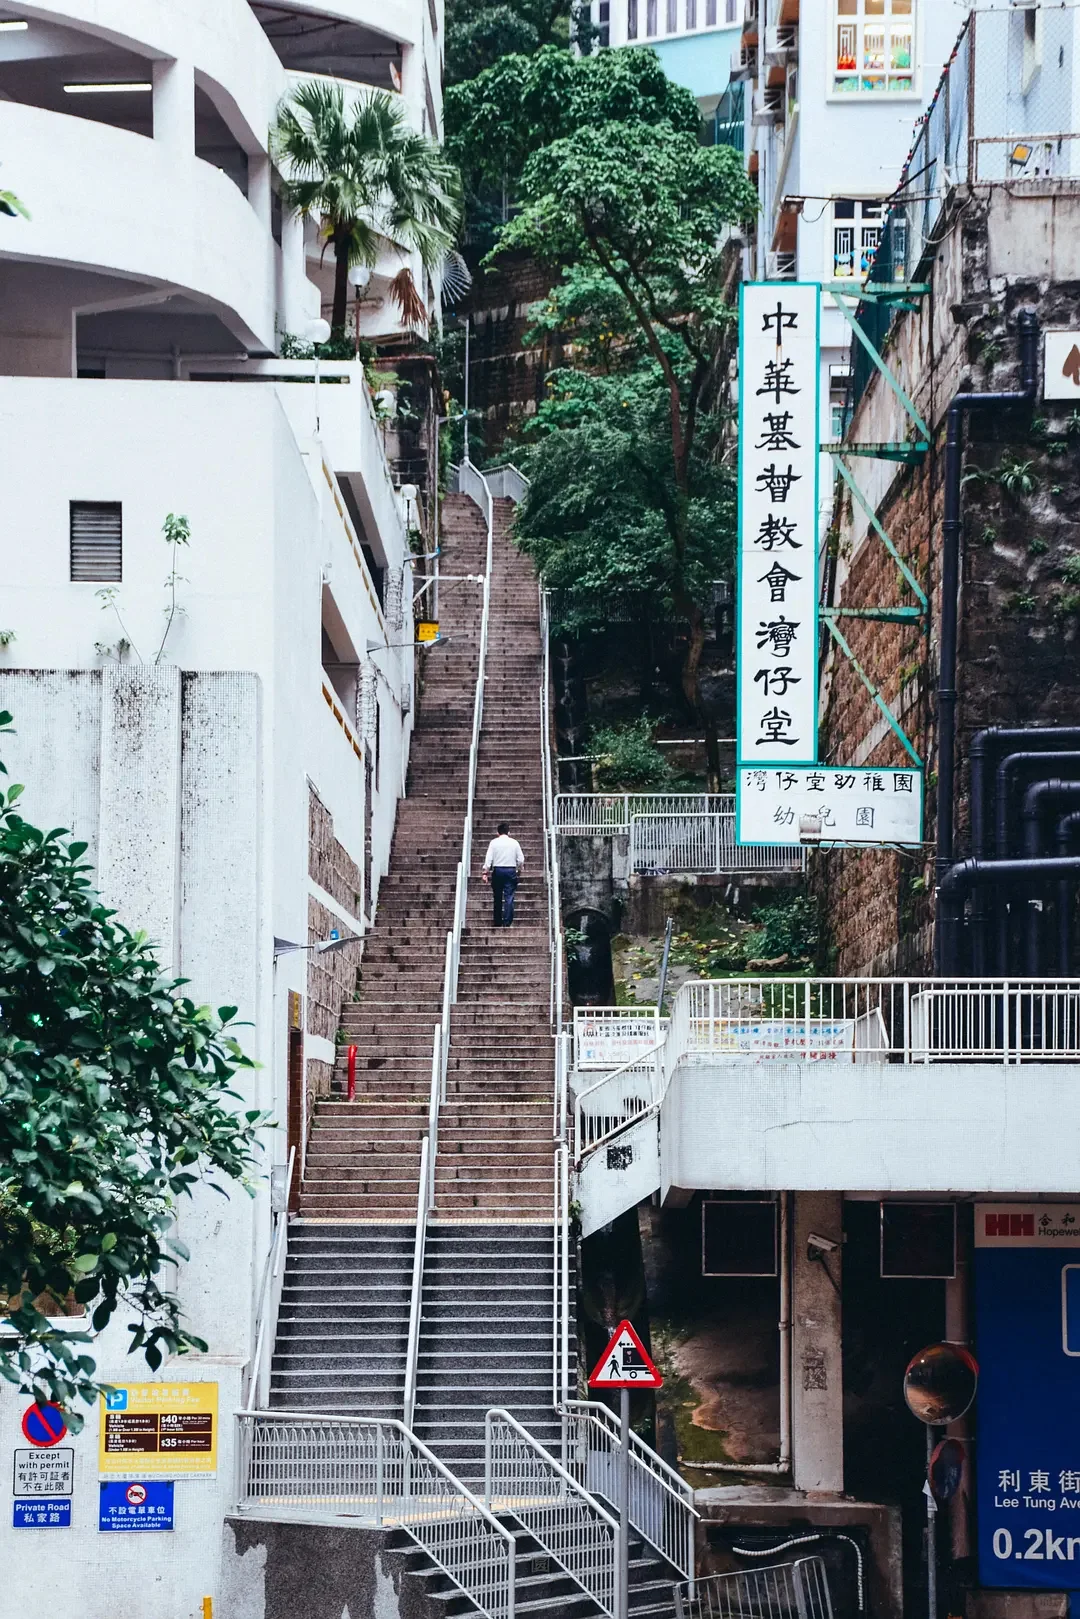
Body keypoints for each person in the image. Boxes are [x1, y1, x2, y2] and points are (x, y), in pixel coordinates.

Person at [482, 821, 525, 928]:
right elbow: (521, 859)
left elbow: (489, 859)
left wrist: (485, 872)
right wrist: (519, 869)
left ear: (498, 833)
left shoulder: (493, 843)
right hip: (510, 870)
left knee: (497, 896)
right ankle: (507, 921)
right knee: (509, 896)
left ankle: (497, 920)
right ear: (508, 832)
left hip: (498, 870)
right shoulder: (515, 843)